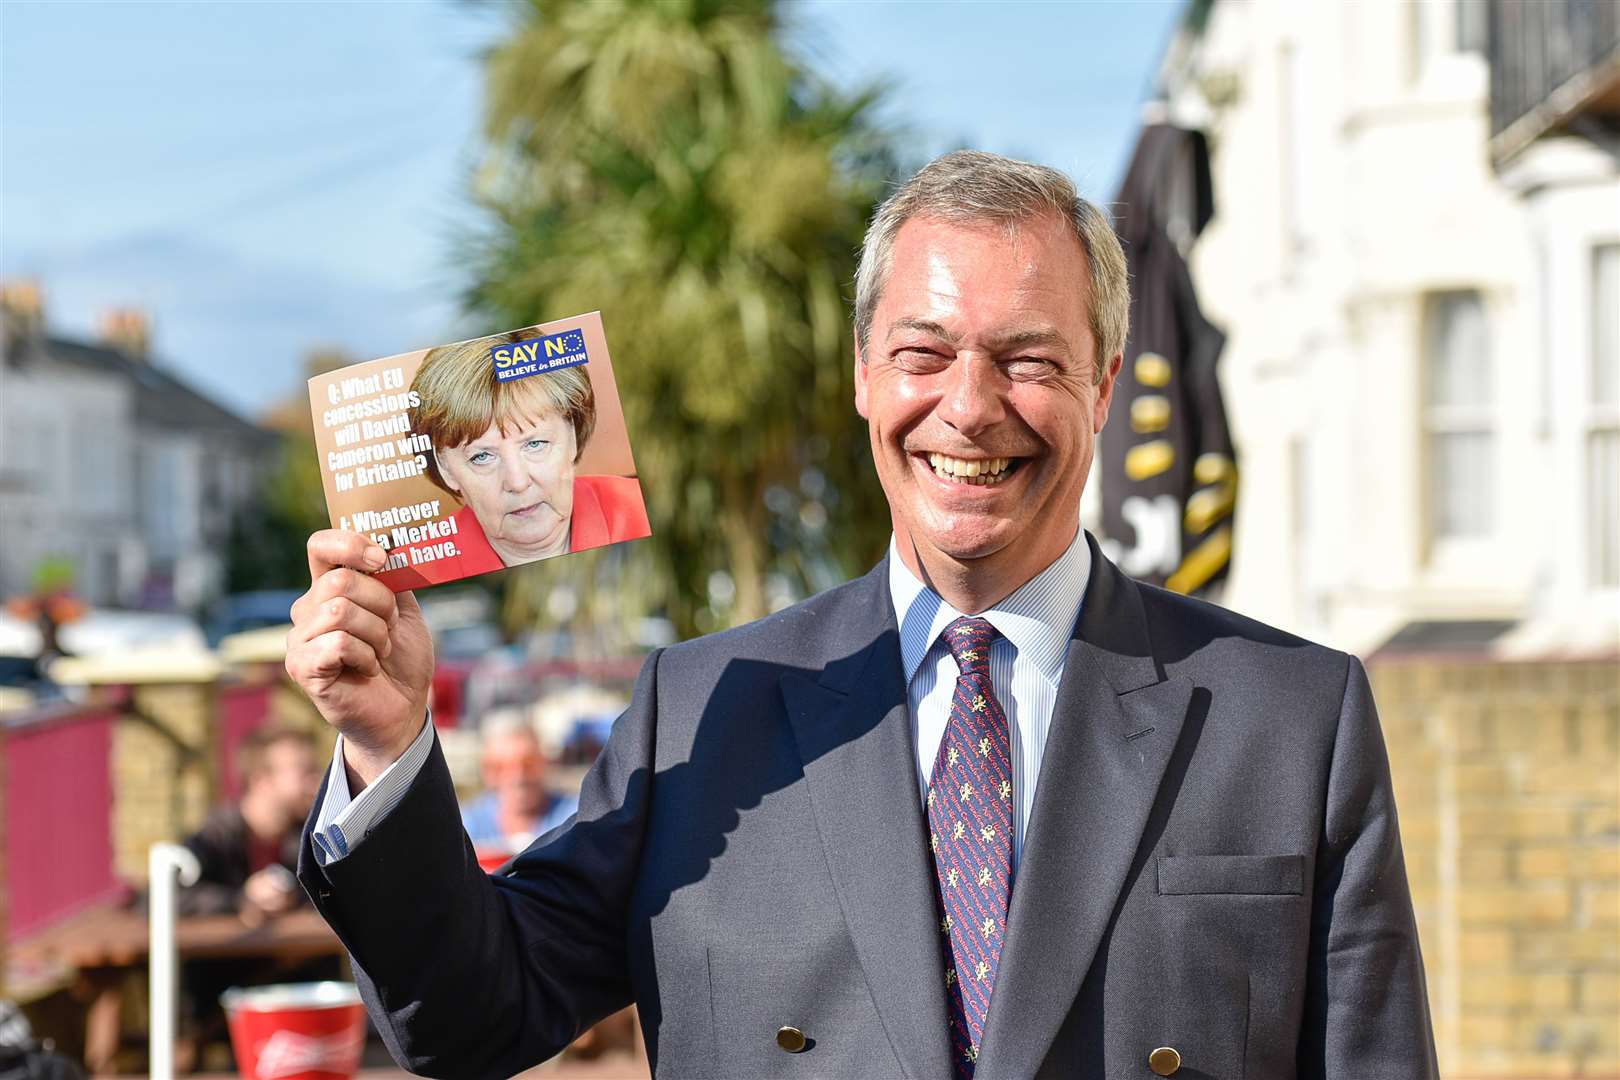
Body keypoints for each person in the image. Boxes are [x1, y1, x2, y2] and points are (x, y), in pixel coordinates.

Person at [287, 151, 1438, 1078]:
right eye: (923, 353)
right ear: (861, 376)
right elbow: (472, 1024)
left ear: (1105, 379)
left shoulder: (1291, 717)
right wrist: (389, 744)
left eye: (1028, 358)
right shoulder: (700, 707)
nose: (971, 408)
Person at [385, 334, 652, 588]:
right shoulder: (409, 573)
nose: (518, 482)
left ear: (572, 436)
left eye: (535, 444)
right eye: (482, 456)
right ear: (446, 469)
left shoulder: (645, 509)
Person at [176, 726, 321, 921]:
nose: (318, 782)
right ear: (261, 780)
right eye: (305, 773)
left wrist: (296, 897)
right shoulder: (215, 837)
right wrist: (240, 900)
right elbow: (161, 898)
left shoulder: (311, 837)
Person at [459, 710, 577, 850]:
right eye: (502, 767)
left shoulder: (575, 817)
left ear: (544, 762)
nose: (518, 776)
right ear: (487, 772)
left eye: (528, 763)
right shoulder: (467, 825)